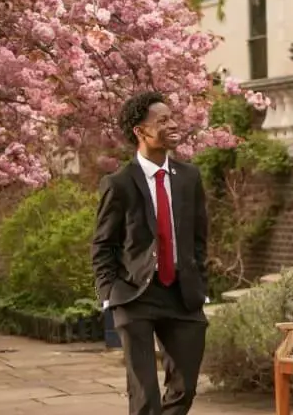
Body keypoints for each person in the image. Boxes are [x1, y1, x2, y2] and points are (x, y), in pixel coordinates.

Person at [91, 92, 210, 415]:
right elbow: (103, 244)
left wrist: (200, 282)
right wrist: (110, 293)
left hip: (182, 295)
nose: (173, 125)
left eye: (172, 118)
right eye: (162, 121)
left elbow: (199, 238)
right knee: (145, 397)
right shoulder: (119, 183)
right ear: (140, 132)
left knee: (185, 388)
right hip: (135, 295)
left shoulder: (189, 178)